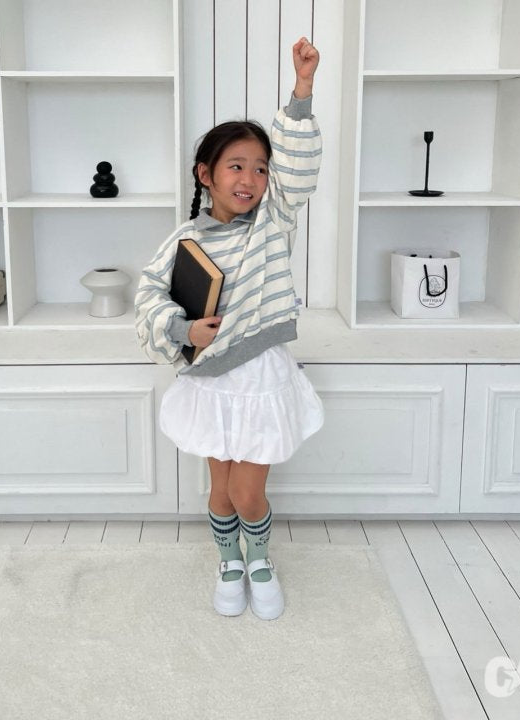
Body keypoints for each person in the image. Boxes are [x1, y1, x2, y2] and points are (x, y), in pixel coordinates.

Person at [134, 37, 324, 620]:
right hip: (211, 380)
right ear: (206, 174)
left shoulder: (273, 221)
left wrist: (302, 91)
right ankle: (230, 563)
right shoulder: (184, 239)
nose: (251, 178)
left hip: (261, 375)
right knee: (219, 489)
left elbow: (297, 169)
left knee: (247, 491)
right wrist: (184, 331)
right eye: (236, 166)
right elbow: (148, 296)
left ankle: (259, 559)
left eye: (260, 168)